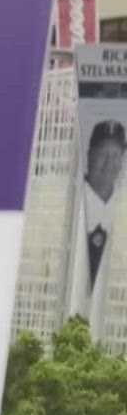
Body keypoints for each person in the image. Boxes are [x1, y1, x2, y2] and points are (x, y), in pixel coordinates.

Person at [80, 119, 127, 318]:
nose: (110, 163)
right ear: (90, 155)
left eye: (116, 155)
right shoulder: (67, 197)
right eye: (103, 154)